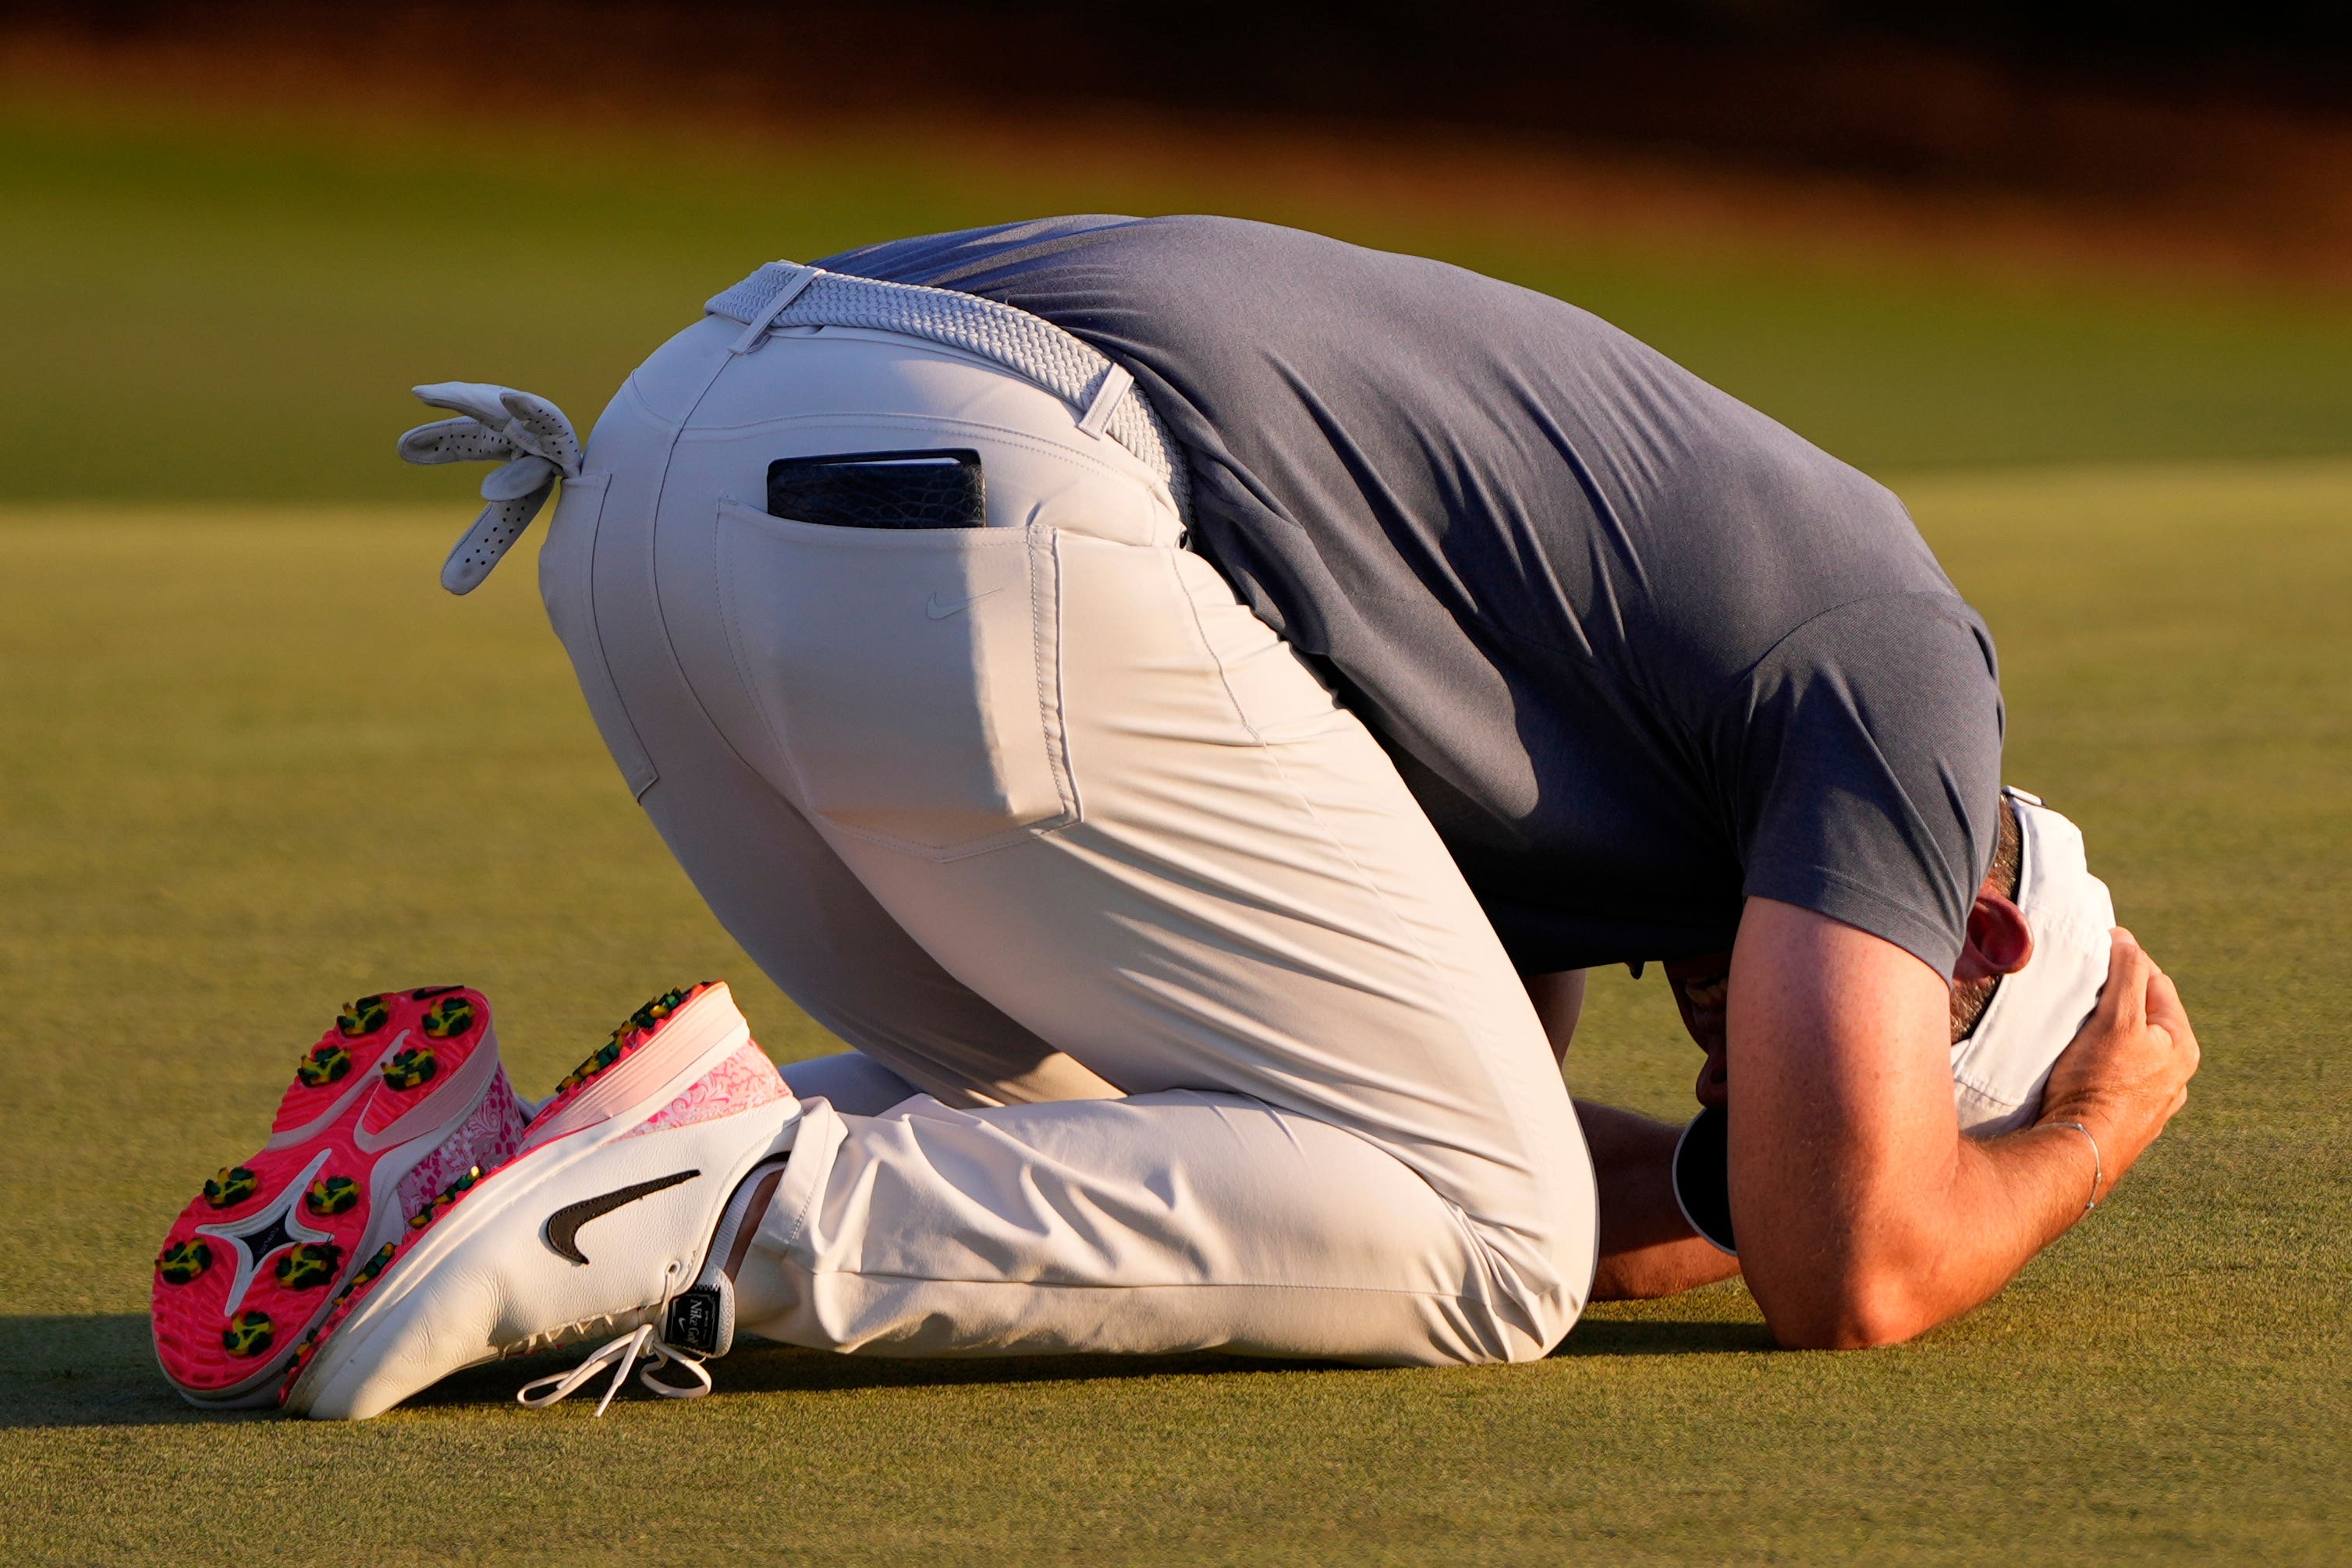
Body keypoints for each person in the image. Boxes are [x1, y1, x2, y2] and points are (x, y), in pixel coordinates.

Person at [161, 217, 2202, 1419]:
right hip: (973, 492)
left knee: (1133, 1123)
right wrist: (2076, 1128)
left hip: (675, 468)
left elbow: (1363, 1119)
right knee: (1490, 1246)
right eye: (1859, 1072)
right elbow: (1847, 1270)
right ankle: (709, 1212)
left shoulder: (1615, 737)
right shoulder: (1909, 675)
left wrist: (1726, 1174)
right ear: (1979, 936)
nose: (1747, 1048)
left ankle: (492, 1170)